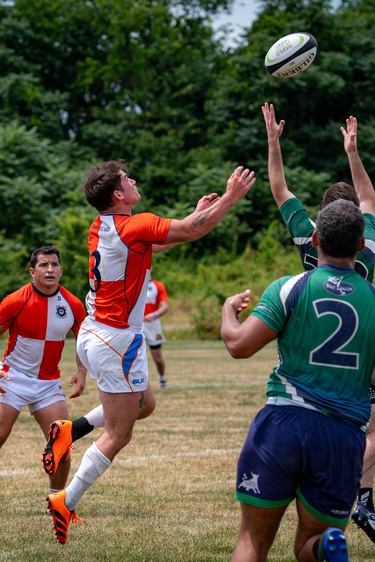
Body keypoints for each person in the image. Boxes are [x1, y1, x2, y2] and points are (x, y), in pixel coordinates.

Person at [43, 159, 256, 545]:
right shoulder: (135, 223)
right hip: (115, 340)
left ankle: (71, 430)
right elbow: (194, 231)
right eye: (127, 178)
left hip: (99, 332)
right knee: (118, 434)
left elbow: (158, 240)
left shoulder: (102, 227)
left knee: (146, 403)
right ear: (118, 195)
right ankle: (65, 502)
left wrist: (195, 214)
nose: (134, 180)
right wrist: (231, 197)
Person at [220, 199, 375, 562]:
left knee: (252, 541)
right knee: (311, 542)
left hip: (284, 423)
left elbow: (239, 346)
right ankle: (324, 548)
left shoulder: (289, 288)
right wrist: (362, 372)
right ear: (360, 246)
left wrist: (227, 314)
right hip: (342, 437)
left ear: (314, 240)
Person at [263, 102, 375, 548]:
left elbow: (280, 188)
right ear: (356, 229)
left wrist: (273, 142)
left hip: (310, 349)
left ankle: (362, 497)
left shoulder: (308, 239)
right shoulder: (366, 245)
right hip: (364, 351)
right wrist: (352, 151)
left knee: (345, 429)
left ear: (320, 224)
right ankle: (348, 488)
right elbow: (369, 198)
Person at [0, 245, 87, 520]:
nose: (50, 270)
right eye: (44, 265)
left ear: (61, 270)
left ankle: (55, 501)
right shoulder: (16, 300)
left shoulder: (72, 304)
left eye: (55, 265)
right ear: (32, 271)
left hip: (48, 384)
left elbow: (83, 340)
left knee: (61, 443)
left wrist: (82, 372)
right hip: (13, 379)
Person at [142, 277, 170, 389]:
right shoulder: (132, 282)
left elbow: (165, 306)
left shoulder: (158, 285)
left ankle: (162, 378)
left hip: (152, 325)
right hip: (136, 324)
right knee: (136, 357)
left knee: (157, 358)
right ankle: (139, 383)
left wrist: (154, 315)